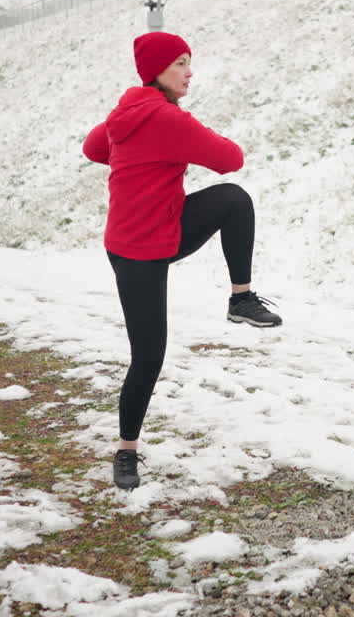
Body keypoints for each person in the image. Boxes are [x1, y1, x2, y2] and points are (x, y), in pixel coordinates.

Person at [83, 31, 282, 490]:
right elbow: (231, 158)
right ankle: (126, 452)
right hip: (139, 254)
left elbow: (94, 148)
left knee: (233, 201)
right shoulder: (168, 120)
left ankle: (241, 299)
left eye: (190, 62)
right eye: (180, 63)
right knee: (148, 356)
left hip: (153, 231)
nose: (190, 72)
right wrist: (178, 137)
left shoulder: (124, 111)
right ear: (156, 71)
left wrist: (143, 161)